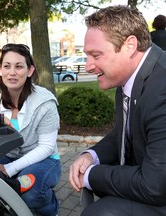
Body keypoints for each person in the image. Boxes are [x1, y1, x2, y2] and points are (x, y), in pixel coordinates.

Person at [69, 5, 166, 216]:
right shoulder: (127, 77)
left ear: (129, 45)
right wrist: (91, 156)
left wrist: (90, 175)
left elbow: (154, 187)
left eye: (96, 55)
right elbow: (123, 133)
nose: (88, 66)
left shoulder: (162, 90)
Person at [0, 43, 61, 216]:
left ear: (30, 71)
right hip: (8, 154)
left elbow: (46, 147)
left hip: (45, 158)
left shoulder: (45, 102)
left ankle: (51, 208)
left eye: (19, 66)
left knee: (31, 194)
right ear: (0, 69)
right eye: (7, 66)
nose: (12, 72)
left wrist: (10, 169)